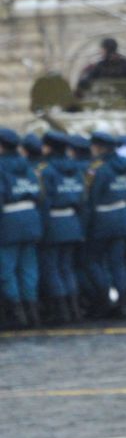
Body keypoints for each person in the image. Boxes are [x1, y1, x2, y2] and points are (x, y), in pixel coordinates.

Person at [83, 130, 126, 318]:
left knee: (94, 261)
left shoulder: (98, 168)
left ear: (98, 147)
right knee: (118, 263)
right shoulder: (125, 166)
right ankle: (124, 303)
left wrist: (86, 225)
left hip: (103, 220)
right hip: (123, 217)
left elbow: (92, 198)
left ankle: (104, 300)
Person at [37, 134, 86, 324]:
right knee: (67, 268)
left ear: (48, 148)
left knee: (53, 268)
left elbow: (45, 201)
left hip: (54, 222)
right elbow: (82, 198)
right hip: (72, 220)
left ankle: (62, 312)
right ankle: (74, 310)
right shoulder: (75, 168)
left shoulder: (46, 170)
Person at [0, 128, 45, 330]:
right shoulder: (27, 165)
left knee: (7, 270)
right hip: (31, 218)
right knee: (29, 268)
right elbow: (38, 194)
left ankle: (17, 314)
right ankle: (33, 312)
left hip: (9, 221)